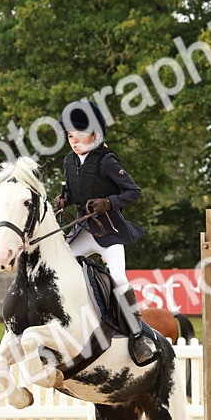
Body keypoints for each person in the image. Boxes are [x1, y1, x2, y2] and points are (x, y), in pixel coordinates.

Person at [52, 100, 158, 366]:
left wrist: (108, 202)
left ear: (94, 134)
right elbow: (70, 190)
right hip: (83, 229)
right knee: (59, 265)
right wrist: (63, 199)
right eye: (69, 136)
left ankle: (137, 337)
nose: (73, 142)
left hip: (109, 231)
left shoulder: (107, 160)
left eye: (78, 135)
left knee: (119, 277)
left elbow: (134, 193)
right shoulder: (69, 160)